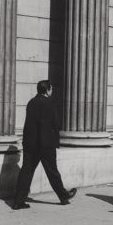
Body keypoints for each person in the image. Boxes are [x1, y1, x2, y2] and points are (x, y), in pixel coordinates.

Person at [12, 80, 77, 210]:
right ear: (47, 90)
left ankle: (18, 201)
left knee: (27, 171)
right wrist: (52, 143)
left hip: (30, 144)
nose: (52, 91)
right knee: (52, 171)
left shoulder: (31, 102)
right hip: (45, 144)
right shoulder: (48, 104)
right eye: (51, 89)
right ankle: (63, 196)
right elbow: (51, 125)